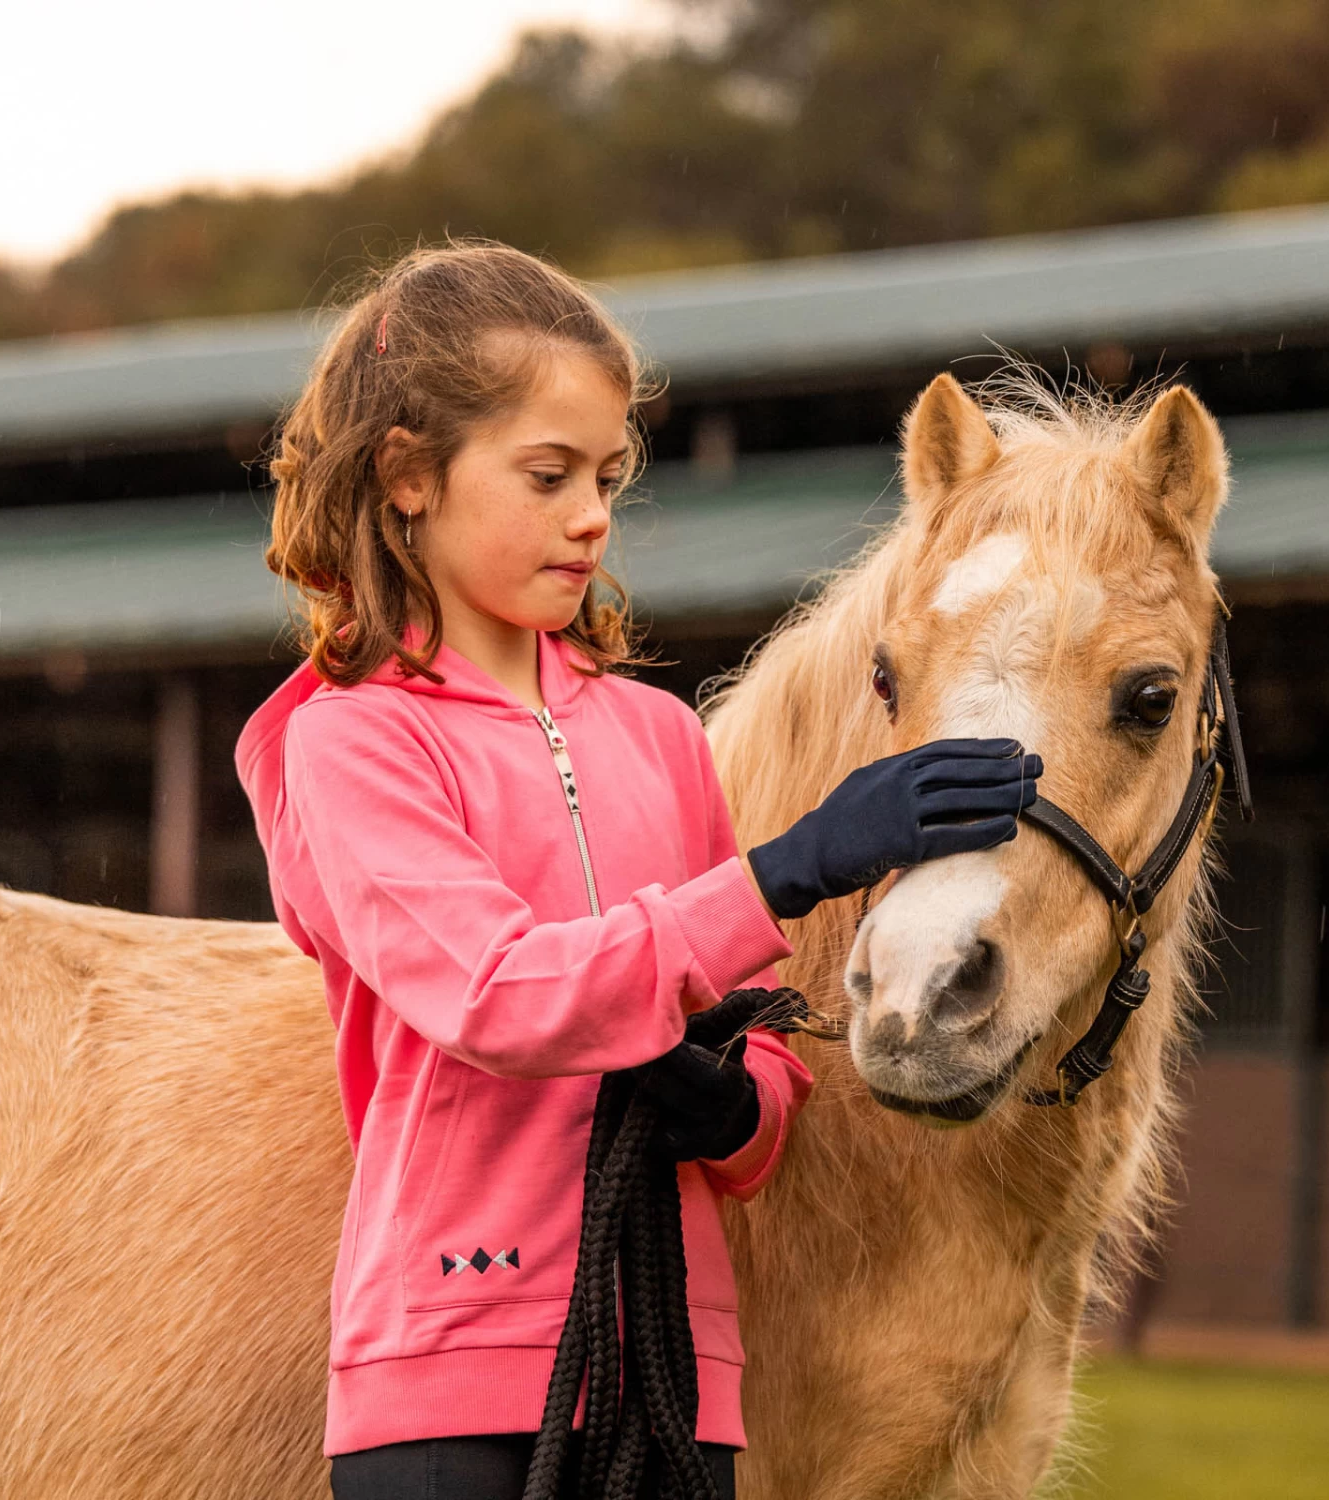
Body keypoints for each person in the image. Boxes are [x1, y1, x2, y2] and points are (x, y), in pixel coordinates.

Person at [234, 241, 1041, 1500]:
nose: (593, 513)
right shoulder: (352, 742)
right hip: (454, 1371)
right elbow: (496, 996)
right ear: (406, 476)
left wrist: (738, 1108)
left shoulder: (659, 736)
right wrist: (789, 868)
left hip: (677, 1373)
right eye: (547, 474)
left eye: (608, 473)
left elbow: (754, 1040)